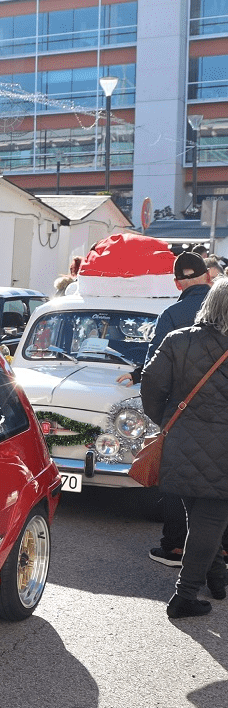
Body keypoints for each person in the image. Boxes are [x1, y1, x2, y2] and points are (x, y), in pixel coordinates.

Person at [117, 252, 215, 568]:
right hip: (223, 413)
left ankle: (175, 547)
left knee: (177, 480)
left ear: (177, 283)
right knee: (220, 479)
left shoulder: (172, 315)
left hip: (181, 412)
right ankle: (221, 551)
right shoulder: (224, 310)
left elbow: (153, 372)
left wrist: (161, 416)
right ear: (208, 277)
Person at [140, 277, 228, 618]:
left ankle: (217, 579)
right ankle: (184, 596)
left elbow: (150, 383)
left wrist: (165, 420)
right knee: (210, 519)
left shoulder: (178, 340)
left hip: (180, 442)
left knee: (203, 517)